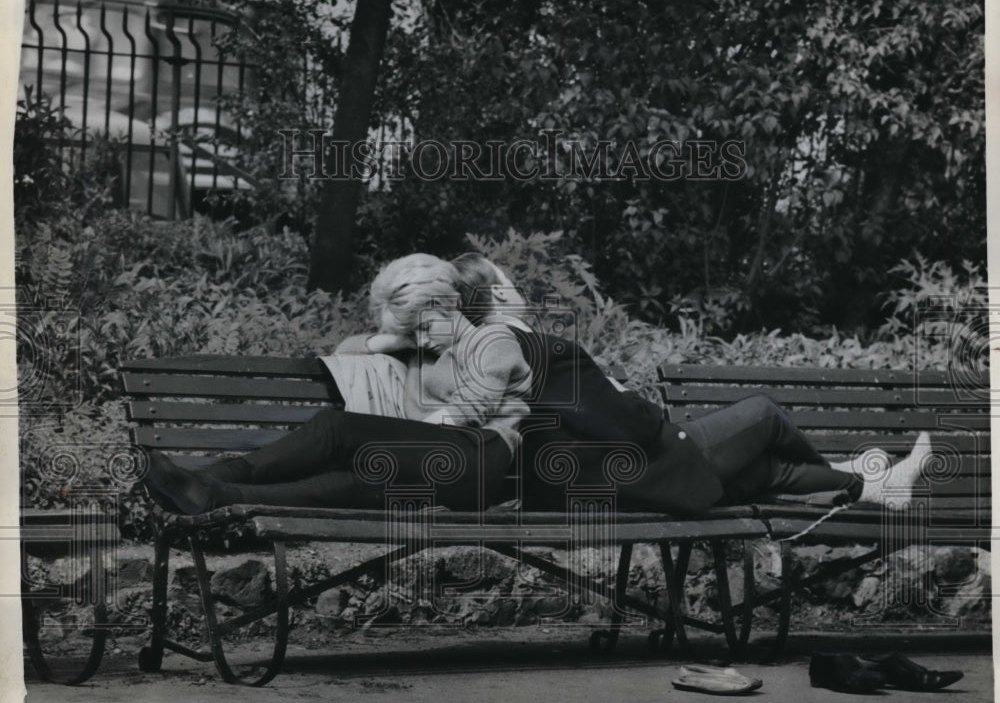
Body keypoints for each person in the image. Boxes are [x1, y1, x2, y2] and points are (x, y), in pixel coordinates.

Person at [448, 252, 931, 517]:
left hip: (592, 484)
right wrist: (623, 394)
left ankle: (866, 484)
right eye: (508, 282)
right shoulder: (537, 349)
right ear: (496, 293)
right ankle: (859, 477)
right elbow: (628, 427)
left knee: (763, 470)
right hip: (644, 470)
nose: (516, 288)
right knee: (763, 413)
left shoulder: (483, 353)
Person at [144, 254, 531, 515]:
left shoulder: (490, 339)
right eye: (414, 332)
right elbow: (345, 352)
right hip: (431, 471)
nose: (424, 339)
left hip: (480, 462)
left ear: (450, 306)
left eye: (427, 326)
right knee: (344, 484)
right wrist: (399, 338)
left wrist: (384, 439)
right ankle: (215, 495)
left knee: (336, 428)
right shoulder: (420, 349)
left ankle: (219, 473)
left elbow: (469, 411)